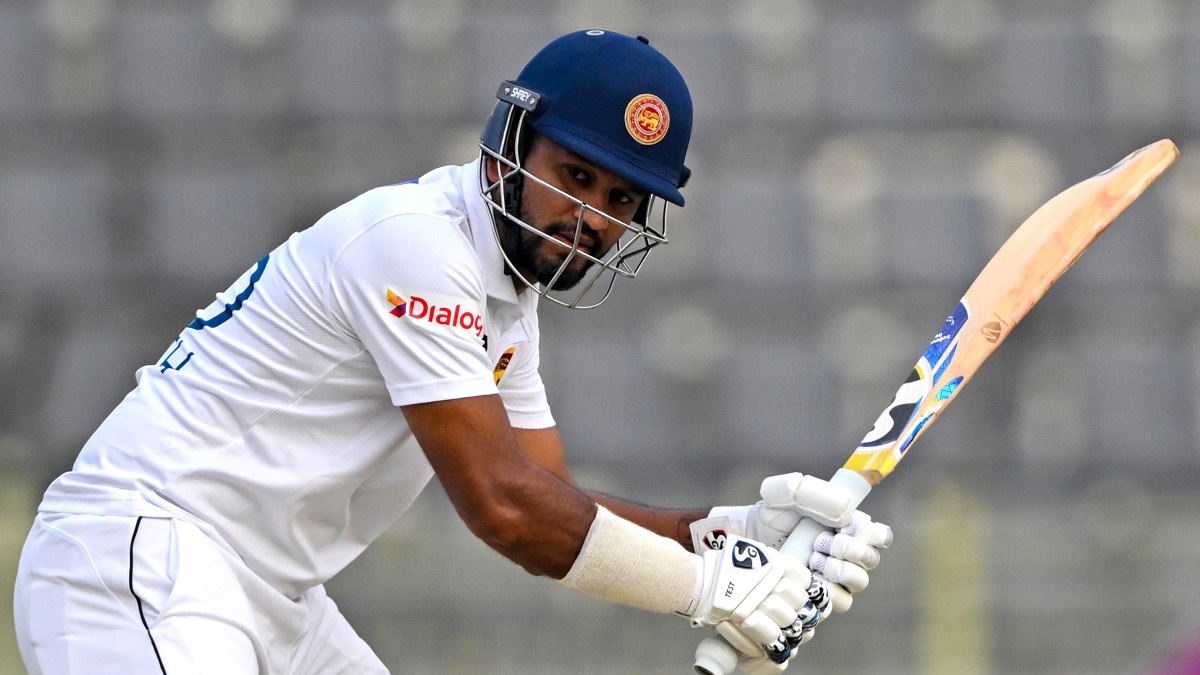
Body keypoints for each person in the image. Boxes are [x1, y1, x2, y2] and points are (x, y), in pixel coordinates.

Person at [14, 29, 892, 675]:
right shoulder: (416, 244)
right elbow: (505, 511)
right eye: (575, 174)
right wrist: (712, 591)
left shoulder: (505, 302)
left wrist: (730, 534)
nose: (590, 217)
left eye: (621, 197)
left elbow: (550, 499)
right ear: (510, 143)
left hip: (272, 598)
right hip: (147, 557)